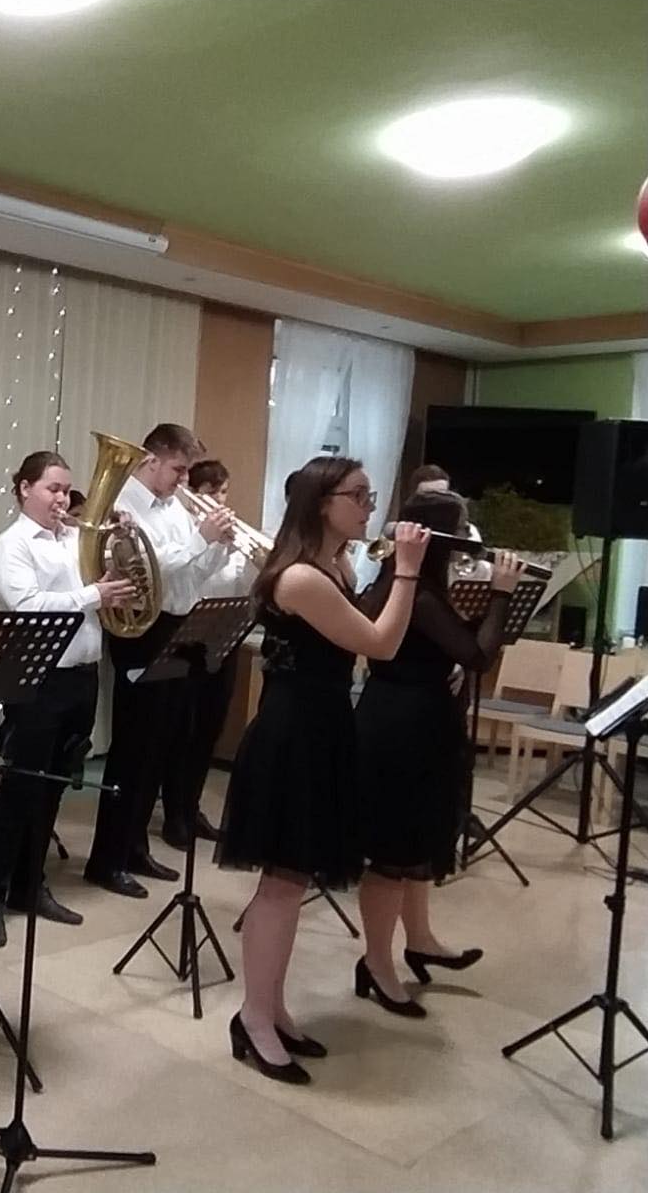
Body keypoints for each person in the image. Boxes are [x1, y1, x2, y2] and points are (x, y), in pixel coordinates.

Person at [215, 456, 428, 1085]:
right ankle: (254, 1017)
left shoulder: (335, 566)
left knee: (294, 879)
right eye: (357, 495)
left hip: (323, 727)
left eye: (369, 494)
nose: (369, 506)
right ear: (321, 502)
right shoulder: (301, 577)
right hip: (294, 736)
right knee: (281, 886)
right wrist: (407, 571)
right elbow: (381, 644)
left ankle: (273, 1009)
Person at [353, 491, 520, 1015]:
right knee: (393, 851)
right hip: (400, 727)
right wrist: (501, 594)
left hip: (420, 721)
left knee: (418, 844)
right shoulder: (418, 595)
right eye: (461, 528)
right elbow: (477, 655)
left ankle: (420, 940)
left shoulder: (423, 588)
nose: (468, 538)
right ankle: (376, 962)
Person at [0, 452, 135, 947]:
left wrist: (120, 541)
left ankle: (30, 886)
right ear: (25, 489)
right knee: (21, 790)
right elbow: (29, 606)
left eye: (66, 490)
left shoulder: (77, 540)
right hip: (37, 680)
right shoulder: (12, 545)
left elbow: (108, 585)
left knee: (55, 788)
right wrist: (92, 595)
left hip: (82, 677)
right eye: (52, 489)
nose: (62, 499)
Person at [84, 424, 236, 899]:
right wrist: (199, 539)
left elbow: (190, 576)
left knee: (162, 744)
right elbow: (147, 565)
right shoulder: (124, 504)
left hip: (176, 626)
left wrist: (218, 546)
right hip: (140, 632)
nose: (183, 480)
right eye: (178, 469)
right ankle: (107, 859)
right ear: (151, 460)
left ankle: (134, 848)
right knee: (133, 749)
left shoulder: (174, 507)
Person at [177, 458, 255, 846]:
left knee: (210, 729)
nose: (220, 500)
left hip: (225, 636)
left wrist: (245, 555)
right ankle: (177, 813)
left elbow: (242, 585)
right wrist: (215, 546)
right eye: (211, 492)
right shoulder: (187, 531)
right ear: (194, 493)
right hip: (191, 640)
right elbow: (196, 583)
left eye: (223, 491)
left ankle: (190, 808)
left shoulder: (228, 537)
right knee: (186, 732)